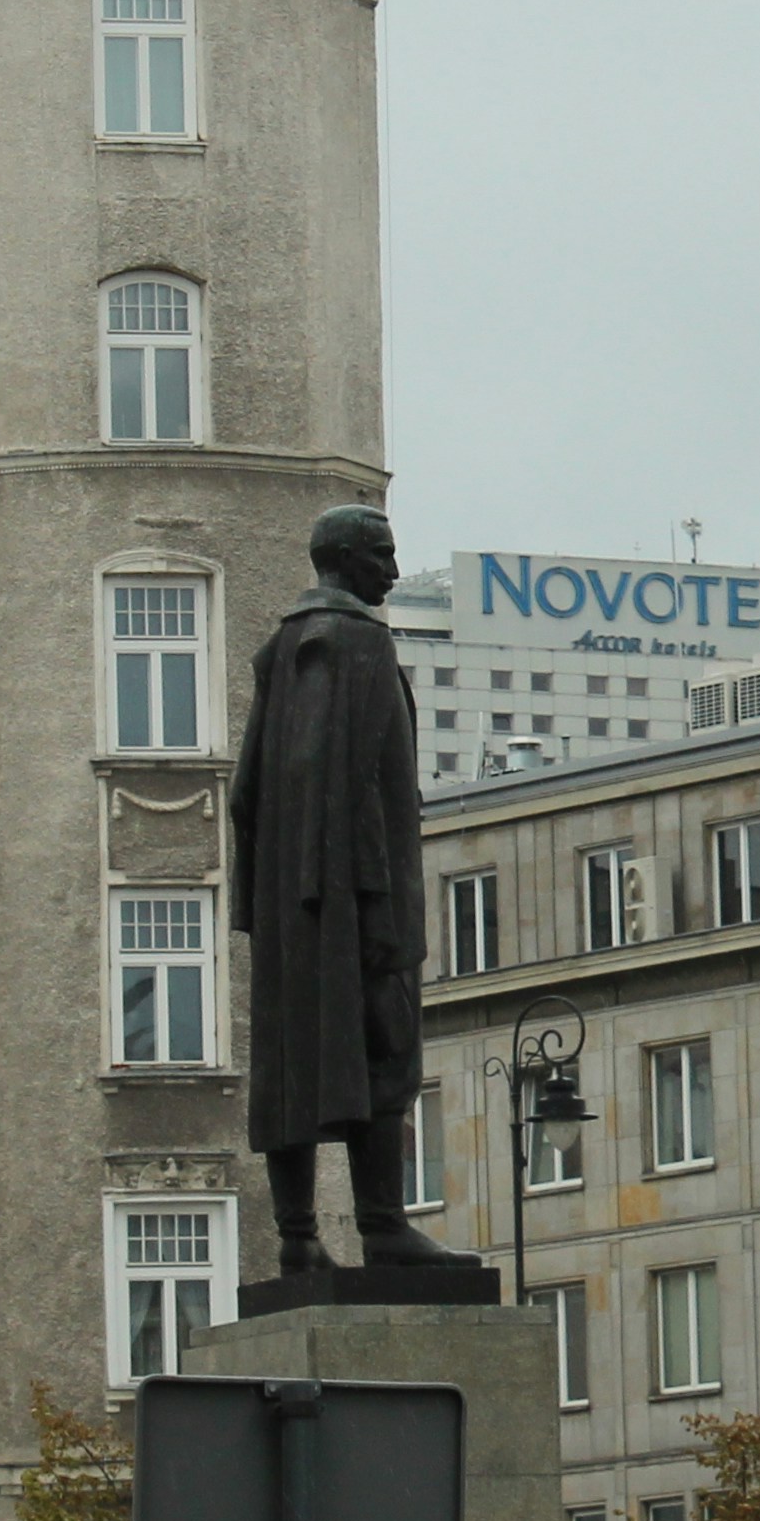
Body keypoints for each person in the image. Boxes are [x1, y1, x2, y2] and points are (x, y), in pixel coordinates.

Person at [229, 502, 472, 1278]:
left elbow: (245, 792)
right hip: (360, 899)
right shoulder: (358, 643)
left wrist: (267, 901)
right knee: (385, 1049)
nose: (393, 573)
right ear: (343, 557)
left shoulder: (282, 650)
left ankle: (297, 1234)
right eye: (382, 555)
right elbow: (356, 781)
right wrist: (372, 903)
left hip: (289, 907)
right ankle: (383, 1226)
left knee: (289, 1059)